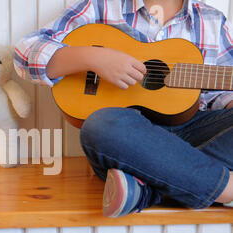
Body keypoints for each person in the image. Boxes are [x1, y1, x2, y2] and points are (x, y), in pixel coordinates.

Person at [14, 0, 233, 217]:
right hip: (128, 141)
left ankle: (148, 190)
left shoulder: (212, 20)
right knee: (101, 125)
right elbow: (25, 52)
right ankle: (225, 189)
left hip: (194, 133)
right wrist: (94, 58)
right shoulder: (101, 6)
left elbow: (222, 97)